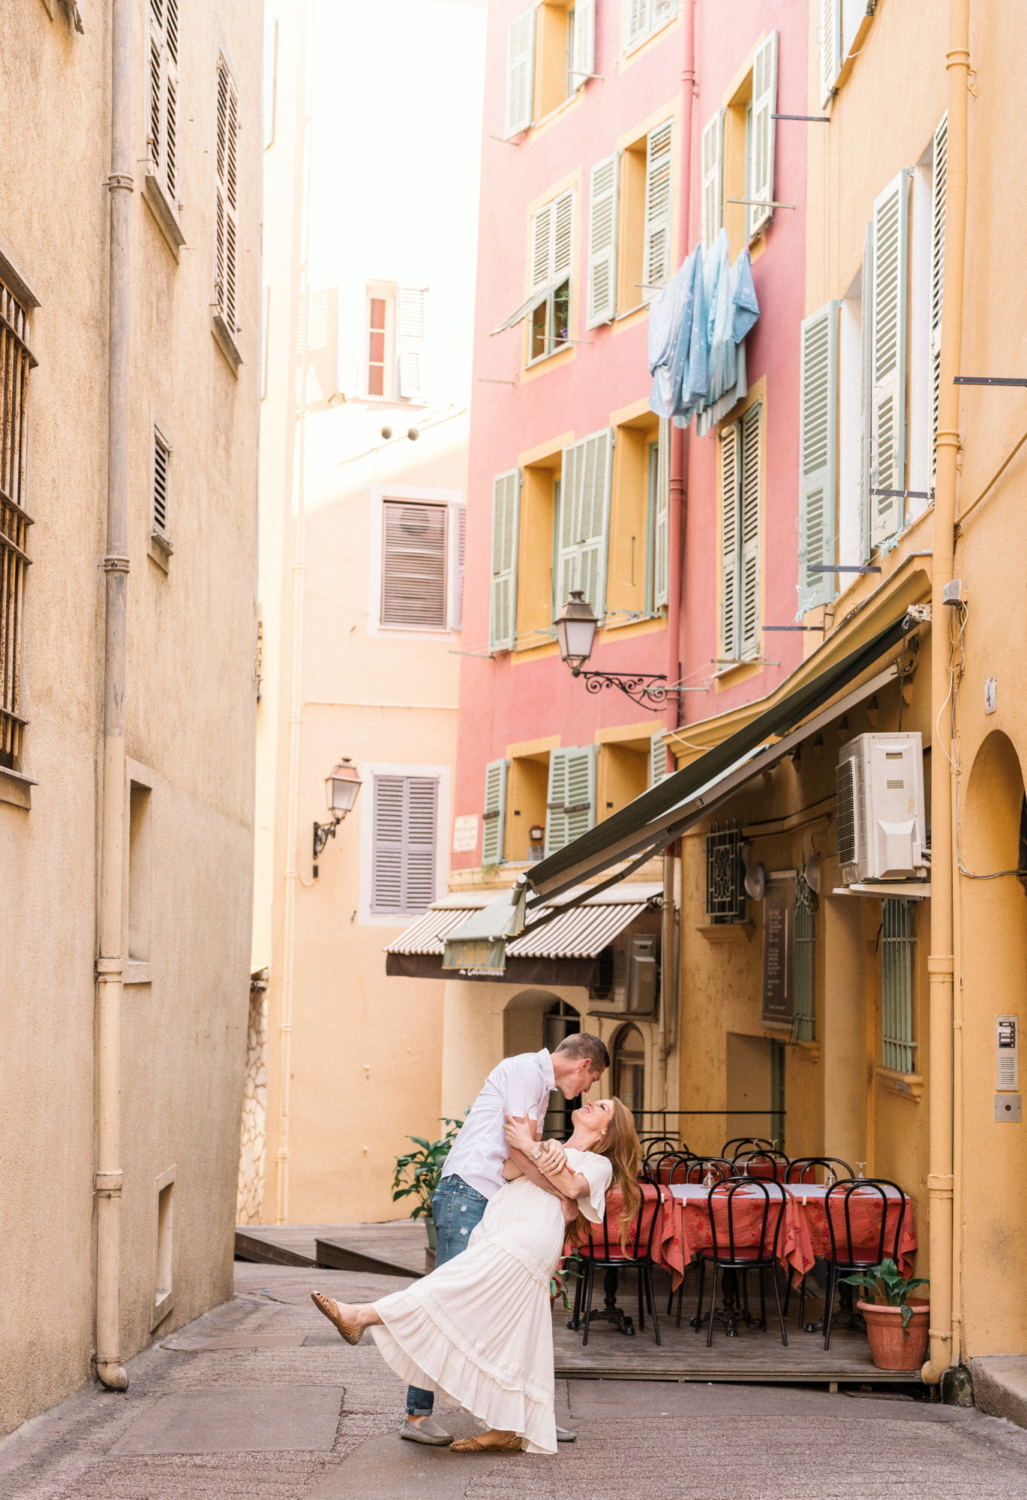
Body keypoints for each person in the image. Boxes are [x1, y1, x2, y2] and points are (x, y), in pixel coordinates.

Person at [311, 1092, 641, 1455]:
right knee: (509, 1332)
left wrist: (533, 1148)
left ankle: (361, 1315)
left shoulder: (597, 1164)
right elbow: (510, 1170)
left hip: (527, 1239)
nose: (593, 1102)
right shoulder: (553, 1147)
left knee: (449, 1288)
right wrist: (542, 1151)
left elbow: (575, 1188)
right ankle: (504, 1429)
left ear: (607, 1131)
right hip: (502, 1229)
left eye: (604, 1107)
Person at [381, 1032, 608, 1446]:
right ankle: (416, 1415)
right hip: (468, 1194)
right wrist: (560, 1190)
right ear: (584, 1065)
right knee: (444, 1300)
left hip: (482, 1198)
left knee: (501, 1308)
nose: (588, 1091)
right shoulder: (525, 1072)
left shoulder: (536, 1083)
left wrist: (553, 1168)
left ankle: (523, 1415)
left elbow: (520, 1157)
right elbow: (516, 1152)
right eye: (592, 1081)